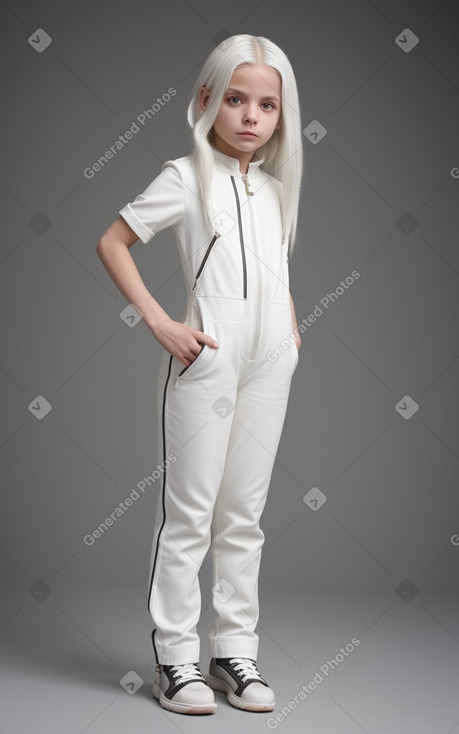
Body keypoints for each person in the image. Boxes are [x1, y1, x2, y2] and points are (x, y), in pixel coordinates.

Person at [96, 33, 303, 716]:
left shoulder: (274, 190)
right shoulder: (186, 177)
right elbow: (114, 240)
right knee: (189, 513)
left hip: (270, 363)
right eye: (235, 99)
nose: (250, 116)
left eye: (266, 105)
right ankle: (175, 661)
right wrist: (159, 320)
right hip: (206, 358)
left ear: (280, 116)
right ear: (206, 101)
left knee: (244, 514)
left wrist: (290, 332)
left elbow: (274, 268)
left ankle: (231, 652)